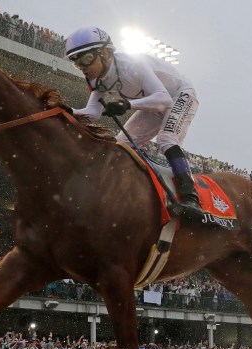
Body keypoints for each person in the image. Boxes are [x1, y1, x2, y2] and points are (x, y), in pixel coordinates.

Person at [65, 25, 203, 218]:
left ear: (104, 53)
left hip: (179, 94)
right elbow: (92, 113)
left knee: (166, 139)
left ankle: (191, 197)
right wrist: (66, 111)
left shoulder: (132, 64)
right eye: (76, 62)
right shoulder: (96, 80)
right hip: (154, 101)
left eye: (86, 59)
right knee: (121, 145)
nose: (83, 68)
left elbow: (164, 99)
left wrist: (127, 105)